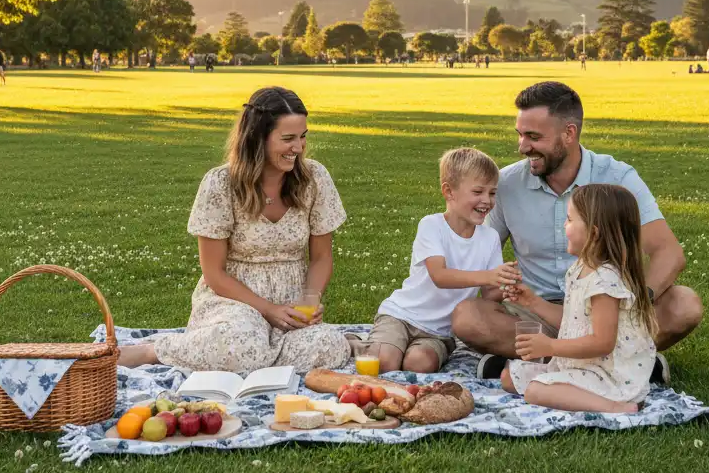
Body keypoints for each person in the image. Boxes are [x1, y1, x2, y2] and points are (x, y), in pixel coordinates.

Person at [451, 81, 703, 384]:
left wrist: (630, 307)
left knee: (684, 305)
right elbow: (479, 253)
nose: (522, 146)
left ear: (568, 134)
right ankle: (620, 362)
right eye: (520, 134)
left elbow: (669, 254)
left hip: (605, 308)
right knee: (467, 316)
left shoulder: (617, 177)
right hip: (536, 311)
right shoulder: (505, 184)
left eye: (533, 136)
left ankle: (535, 362)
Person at [117, 87, 351, 373]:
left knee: (330, 346)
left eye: (303, 136)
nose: (299, 148)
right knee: (240, 343)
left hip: (291, 301)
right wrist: (267, 310)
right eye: (288, 139)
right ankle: (154, 351)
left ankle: (253, 358)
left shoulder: (314, 178)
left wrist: (310, 299)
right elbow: (214, 273)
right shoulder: (219, 184)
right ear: (257, 139)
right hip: (232, 301)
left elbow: (321, 257)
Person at [500, 183, 657, 413]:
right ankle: (576, 392)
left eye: (570, 220)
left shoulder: (604, 281)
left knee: (535, 391)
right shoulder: (580, 268)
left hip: (609, 376)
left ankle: (617, 407)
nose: (564, 225)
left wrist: (550, 346)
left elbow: (603, 342)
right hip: (582, 366)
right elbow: (574, 320)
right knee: (508, 377)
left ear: (593, 233)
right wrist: (533, 302)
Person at [367, 148, 514, 374]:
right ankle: (363, 343)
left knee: (418, 365)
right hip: (400, 316)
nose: (486, 200)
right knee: (383, 363)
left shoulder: (490, 237)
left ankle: (388, 347)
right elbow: (440, 276)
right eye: (478, 191)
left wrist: (507, 284)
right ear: (449, 192)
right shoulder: (432, 226)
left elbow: (489, 295)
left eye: (492, 193)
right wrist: (488, 276)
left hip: (439, 332)